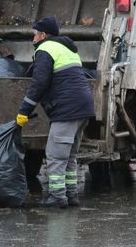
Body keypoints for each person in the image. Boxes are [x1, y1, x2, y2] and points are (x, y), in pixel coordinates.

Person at [16, 17, 95, 208]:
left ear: (43, 35)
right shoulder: (67, 49)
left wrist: (24, 111)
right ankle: (71, 194)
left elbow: (39, 84)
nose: (33, 40)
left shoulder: (45, 49)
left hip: (67, 110)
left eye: (35, 35)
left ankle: (57, 197)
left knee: (55, 155)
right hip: (83, 108)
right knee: (68, 156)